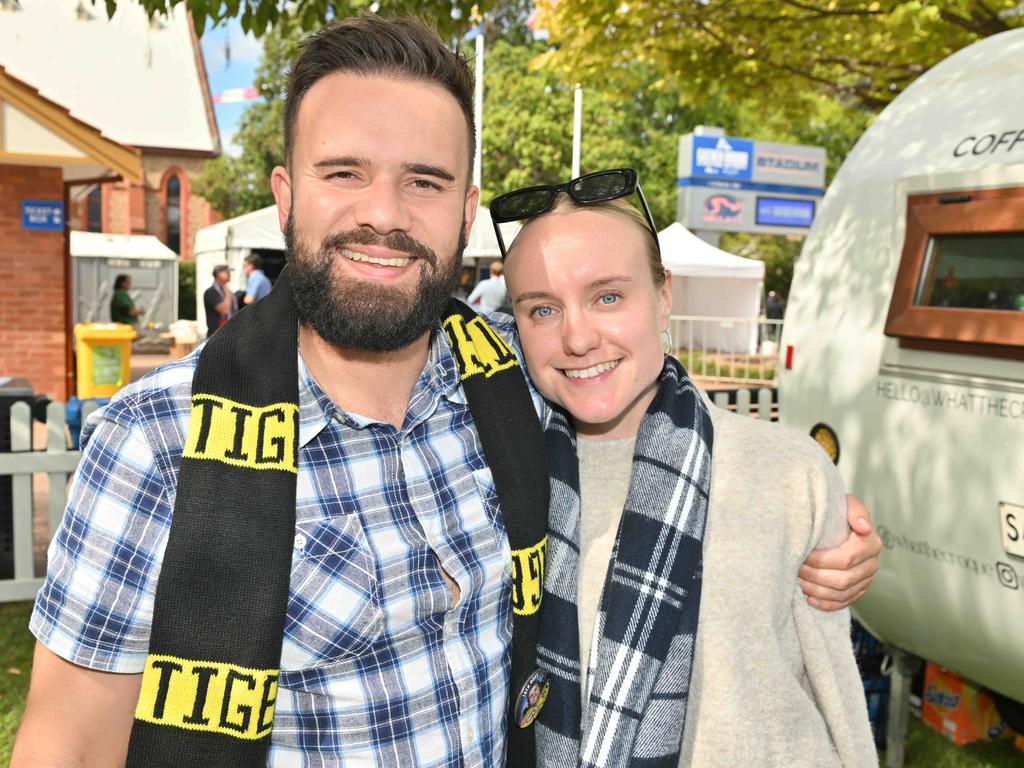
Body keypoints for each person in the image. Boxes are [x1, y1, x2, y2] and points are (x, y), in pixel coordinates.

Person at [12, 19, 878, 768]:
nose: (383, 213)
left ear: (465, 212)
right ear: (286, 196)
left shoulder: (515, 388)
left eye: (422, 181)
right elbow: (69, 747)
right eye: (343, 172)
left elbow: (654, 425)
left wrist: (815, 518)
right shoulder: (157, 443)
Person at [496, 177, 877, 767]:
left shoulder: (787, 469)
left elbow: (840, 696)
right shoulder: (497, 474)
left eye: (608, 297)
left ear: (664, 294)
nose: (576, 337)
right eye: (542, 309)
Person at [203, 263, 236, 337]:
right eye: (227, 272)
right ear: (219, 274)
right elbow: (224, 309)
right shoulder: (210, 292)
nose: (229, 274)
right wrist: (227, 293)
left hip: (229, 332)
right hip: (217, 335)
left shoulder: (226, 290)